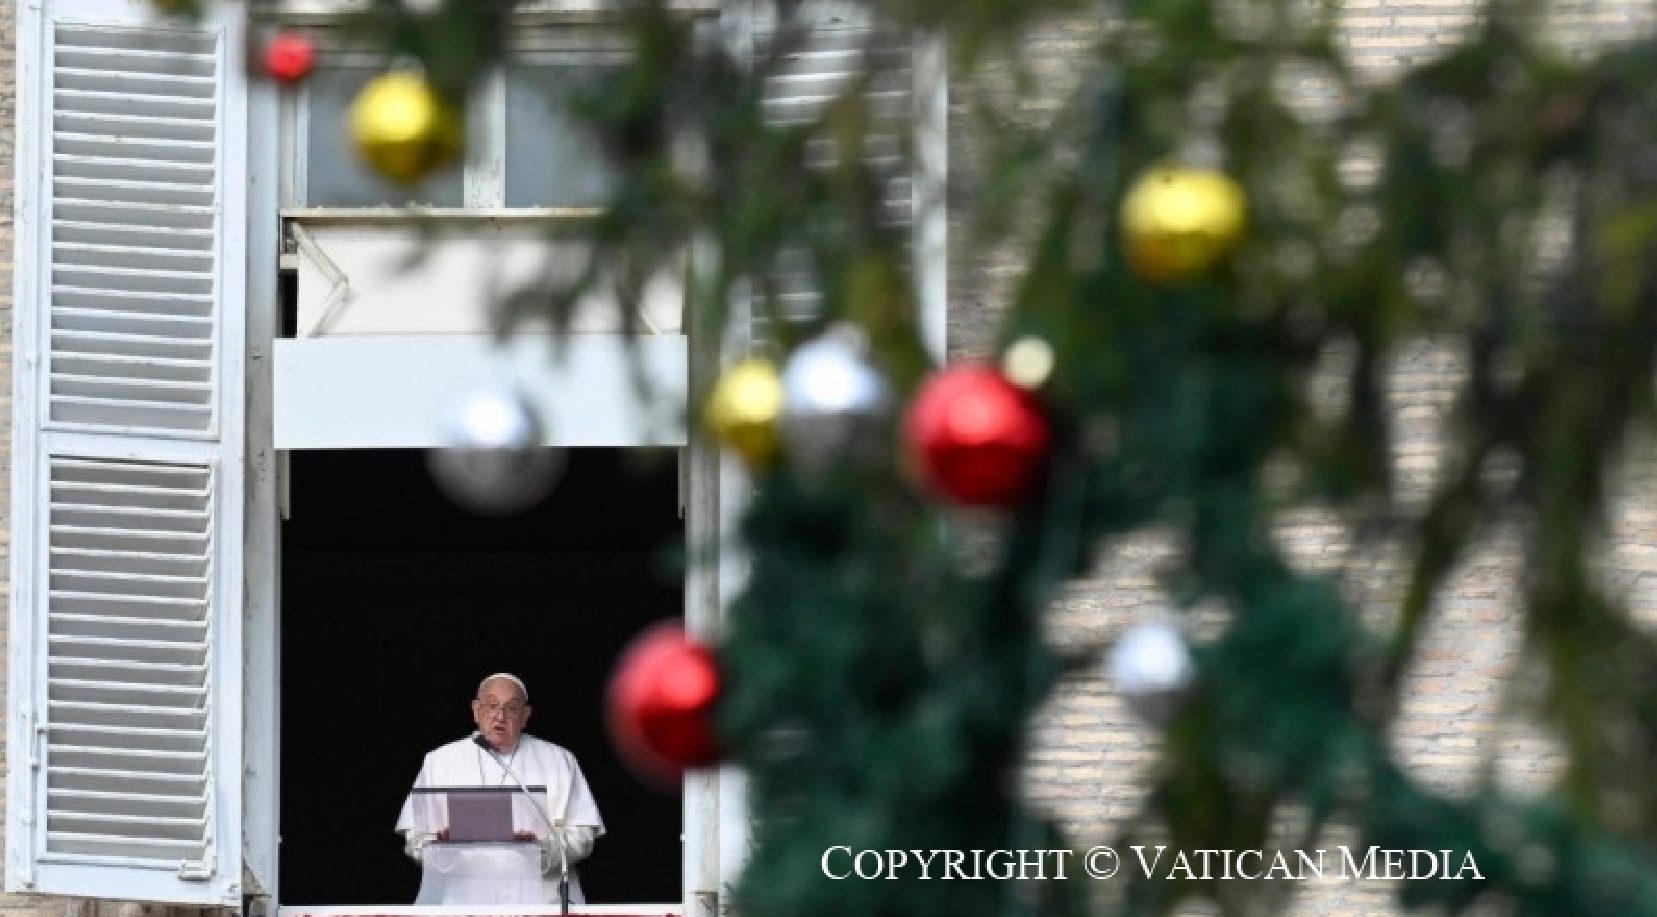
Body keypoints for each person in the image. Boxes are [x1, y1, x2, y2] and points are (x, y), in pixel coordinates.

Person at [396, 673, 605, 904]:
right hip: (460, 899)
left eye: (512, 708)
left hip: (540, 901)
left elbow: (584, 834)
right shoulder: (440, 760)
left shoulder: (558, 760)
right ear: (476, 710)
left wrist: (542, 849)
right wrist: (440, 848)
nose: (500, 716)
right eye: (492, 706)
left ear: (526, 716)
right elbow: (414, 836)